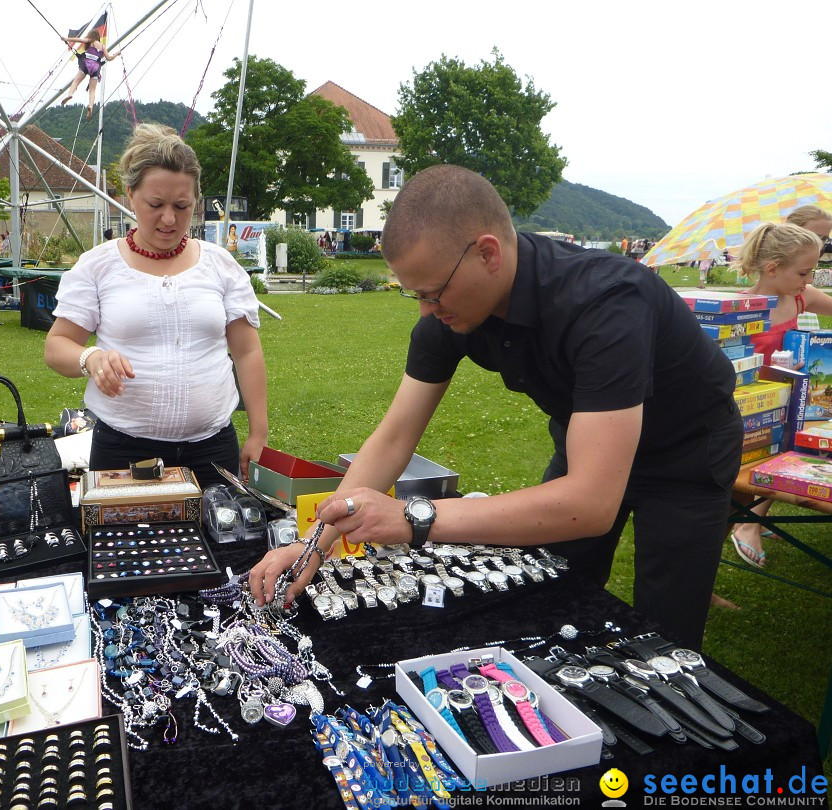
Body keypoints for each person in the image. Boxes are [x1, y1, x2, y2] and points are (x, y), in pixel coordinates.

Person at [249, 164, 742, 651]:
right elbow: (395, 436)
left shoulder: (605, 303)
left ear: (488, 253)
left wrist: (415, 517)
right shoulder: (450, 316)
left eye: (434, 292)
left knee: (666, 636)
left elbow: (590, 503)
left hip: (685, 453)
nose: (427, 312)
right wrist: (315, 542)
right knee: (551, 590)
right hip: (584, 439)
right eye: (414, 295)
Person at [44, 123, 268, 487]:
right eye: (156, 204)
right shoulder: (99, 266)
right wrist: (91, 358)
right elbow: (56, 346)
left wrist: (259, 433)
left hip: (213, 448)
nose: (169, 219)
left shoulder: (219, 265)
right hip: (123, 449)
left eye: (182, 206)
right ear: (130, 196)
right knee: (123, 544)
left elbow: (246, 352)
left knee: (222, 539)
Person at [727, 217, 832, 567]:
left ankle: (751, 519)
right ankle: (746, 523)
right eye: (804, 273)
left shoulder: (801, 297)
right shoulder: (740, 310)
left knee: (800, 448)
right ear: (772, 268)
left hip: (793, 403)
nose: (810, 281)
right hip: (749, 408)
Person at [59, 30, 121, 120]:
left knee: (76, 81)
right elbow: (109, 58)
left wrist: (66, 39)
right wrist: (116, 54)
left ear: (91, 36)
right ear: (98, 38)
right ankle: (91, 106)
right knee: (92, 91)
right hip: (95, 68)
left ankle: (70, 94)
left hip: (86, 64)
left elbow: (78, 40)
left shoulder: (90, 41)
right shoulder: (103, 46)